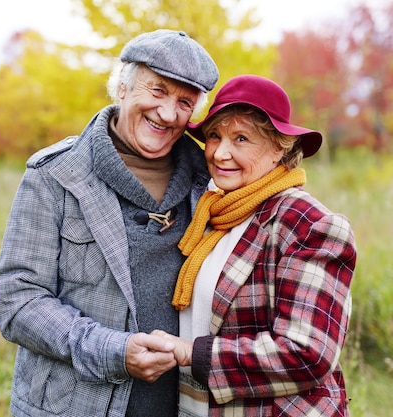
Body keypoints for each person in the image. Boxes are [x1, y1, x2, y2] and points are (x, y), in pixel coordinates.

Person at [0, 29, 219, 417]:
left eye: (184, 101)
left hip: (184, 405)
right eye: (158, 91)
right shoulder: (56, 174)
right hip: (75, 406)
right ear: (123, 87)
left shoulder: (213, 181)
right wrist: (111, 350)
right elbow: (16, 299)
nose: (167, 113)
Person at [153, 74, 357, 416]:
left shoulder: (307, 223)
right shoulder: (209, 212)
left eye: (242, 138)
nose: (220, 152)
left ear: (280, 147)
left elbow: (307, 354)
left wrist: (191, 353)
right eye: (214, 136)